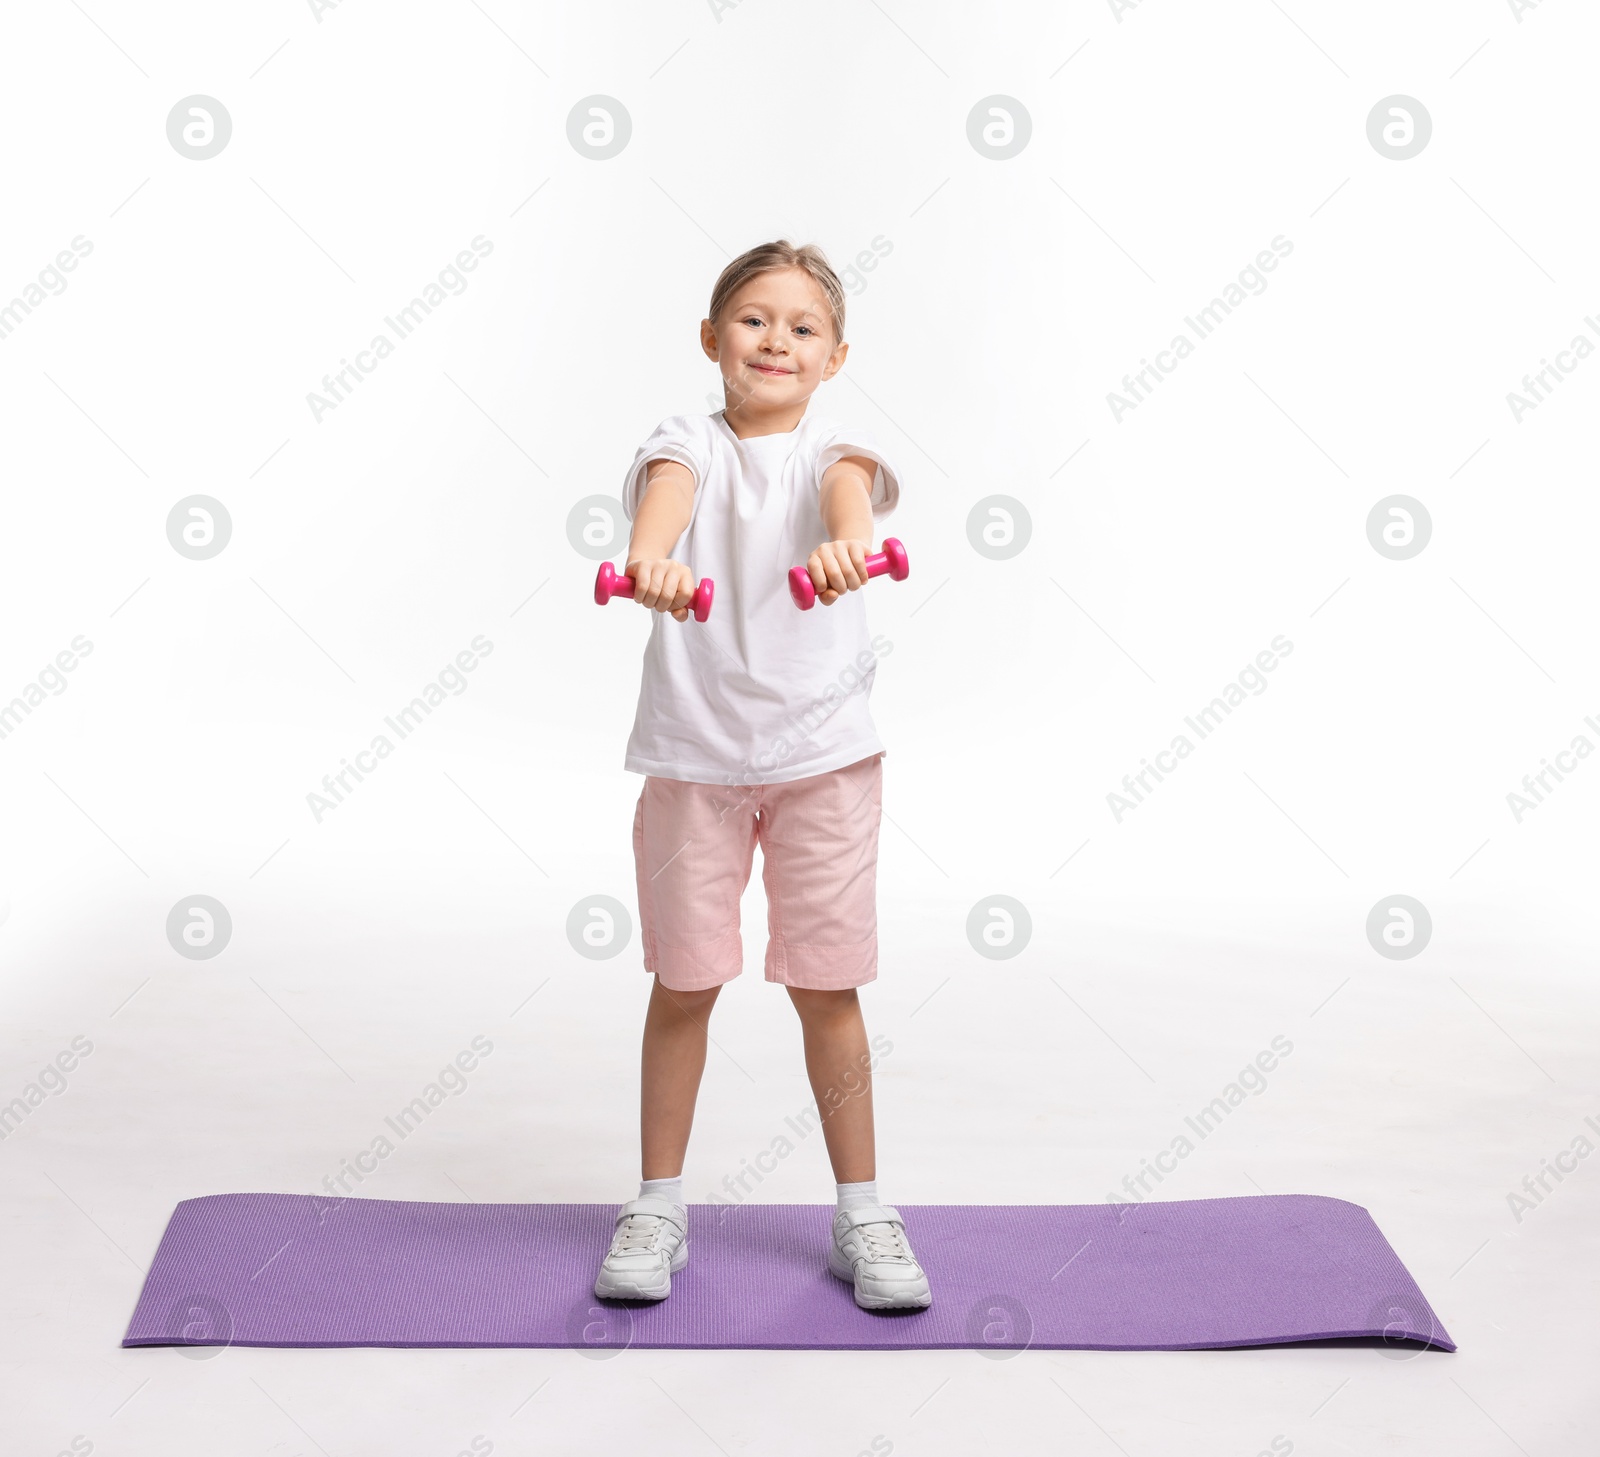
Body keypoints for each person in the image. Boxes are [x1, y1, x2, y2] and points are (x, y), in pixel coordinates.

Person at [592, 239, 931, 1312]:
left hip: (821, 761)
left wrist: (844, 544)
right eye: (751, 318)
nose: (774, 338)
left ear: (834, 355)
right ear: (711, 338)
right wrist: (652, 558)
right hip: (695, 761)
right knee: (685, 981)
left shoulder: (838, 443)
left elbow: (846, 499)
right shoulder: (683, 437)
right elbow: (666, 495)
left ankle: (864, 1211)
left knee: (827, 987)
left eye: (800, 325)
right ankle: (656, 1202)